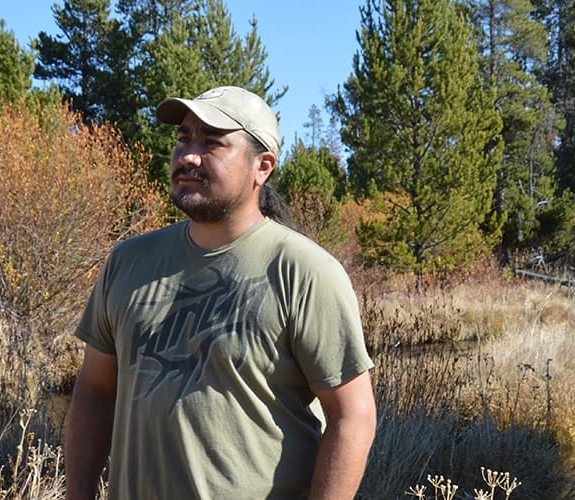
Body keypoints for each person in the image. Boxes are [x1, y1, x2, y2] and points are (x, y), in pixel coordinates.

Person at [65, 86, 376, 500]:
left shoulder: (304, 272)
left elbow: (353, 416)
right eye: (183, 139)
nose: (189, 156)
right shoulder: (128, 262)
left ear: (261, 166)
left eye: (212, 143)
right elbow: (96, 390)